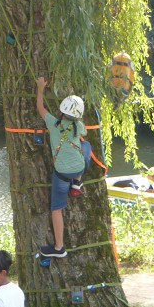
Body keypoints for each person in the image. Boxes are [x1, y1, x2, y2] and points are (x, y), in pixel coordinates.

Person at [36, 76, 92, 259]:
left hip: (62, 174)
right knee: (85, 146)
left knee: (56, 208)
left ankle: (59, 247)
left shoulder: (52, 123)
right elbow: (84, 133)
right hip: (79, 169)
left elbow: (40, 108)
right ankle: (77, 183)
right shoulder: (79, 125)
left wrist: (40, 88)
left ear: (61, 111)